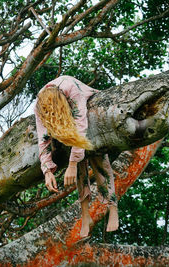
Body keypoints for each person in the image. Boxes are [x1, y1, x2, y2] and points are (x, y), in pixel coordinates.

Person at [34, 75, 119, 238]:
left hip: (90, 112)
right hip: (66, 125)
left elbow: (81, 128)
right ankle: (85, 215)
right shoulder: (39, 105)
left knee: (98, 158)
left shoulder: (72, 90)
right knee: (79, 169)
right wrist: (47, 170)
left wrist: (72, 164)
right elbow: (43, 139)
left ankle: (112, 207)